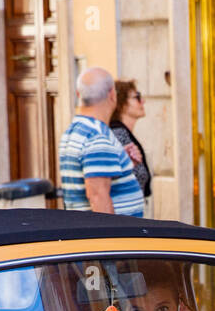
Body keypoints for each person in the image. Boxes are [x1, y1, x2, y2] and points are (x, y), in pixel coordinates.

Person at [58, 68, 143, 216]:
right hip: (113, 236)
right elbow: (98, 197)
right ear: (112, 94)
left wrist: (121, 163)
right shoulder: (97, 136)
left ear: (79, 94)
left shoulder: (76, 130)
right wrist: (112, 238)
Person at [109, 80, 150, 208]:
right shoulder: (119, 135)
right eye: (136, 97)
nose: (142, 101)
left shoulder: (123, 133)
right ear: (121, 104)